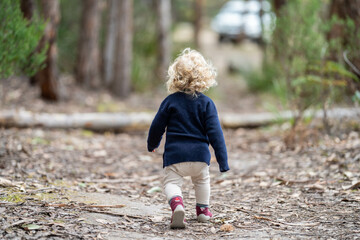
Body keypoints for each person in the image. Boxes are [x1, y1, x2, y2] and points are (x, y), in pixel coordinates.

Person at [147, 48, 229, 229]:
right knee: (202, 181)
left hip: (175, 157)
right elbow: (216, 134)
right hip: (200, 157)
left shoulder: (170, 102)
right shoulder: (207, 104)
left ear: (175, 77)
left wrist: (152, 144)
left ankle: (177, 204)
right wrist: (223, 161)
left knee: (171, 183)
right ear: (205, 76)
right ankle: (203, 211)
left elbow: (157, 126)